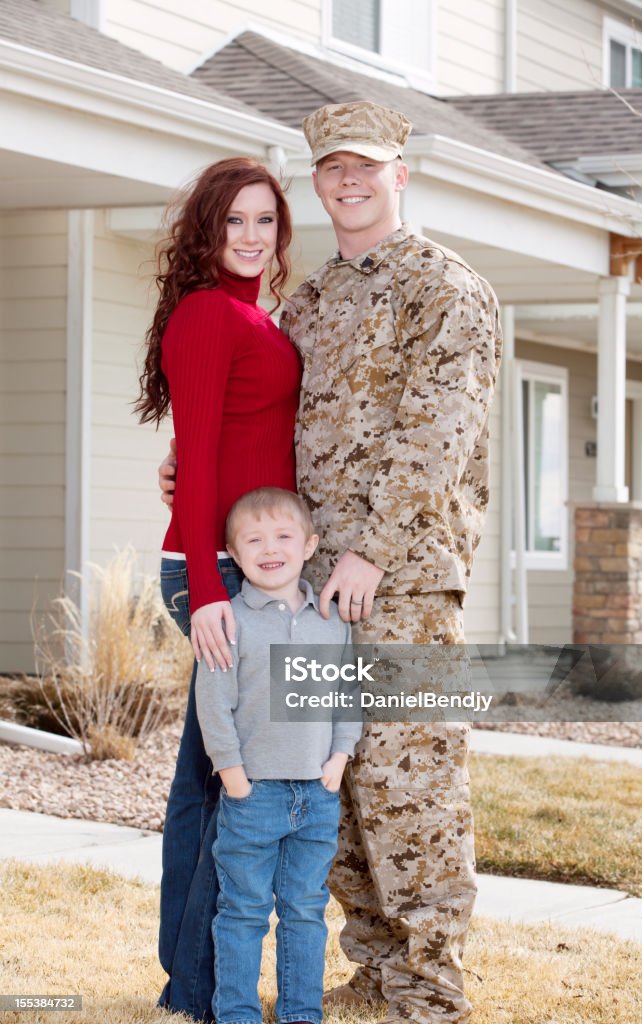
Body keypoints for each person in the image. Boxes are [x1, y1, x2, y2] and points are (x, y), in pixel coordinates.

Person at [160, 100, 502, 1024]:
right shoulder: (307, 299)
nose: (349, 181)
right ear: (318, 181)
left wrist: (370, 552)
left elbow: (438, 433)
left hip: (404, 580)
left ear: (401, 173)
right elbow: (261, 411)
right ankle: (376, 968)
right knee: (331, 785)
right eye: (332, 169)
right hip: (302, 584)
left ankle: (429, 987)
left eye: (367, 166)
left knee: (413, 782)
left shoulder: (443, 285)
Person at [135, 158, 301, 1022]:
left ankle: (184, 980)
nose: (249, 236)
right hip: (218, 576)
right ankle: (196, 987)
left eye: (265, 221)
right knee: (232, 787)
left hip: (234, 566)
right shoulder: (208, 313)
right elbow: (195, 456)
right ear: (206, 228)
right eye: (233, 220)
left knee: (203, 782)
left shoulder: (252, 315)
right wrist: (208, 589)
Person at [195, 486, 362, 1024]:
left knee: (305, 912)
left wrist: (339, 759)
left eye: (283, 536)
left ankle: (300, 1013)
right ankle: (237, 1014)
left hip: (316, 795)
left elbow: (347, 696)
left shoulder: (331, 621)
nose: (271, 548)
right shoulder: (231, 622)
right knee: (242, 912)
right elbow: (213, 704)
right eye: (254, 540)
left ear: (309, 545)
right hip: (254, 795)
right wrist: (234, 777)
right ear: (235, 554)